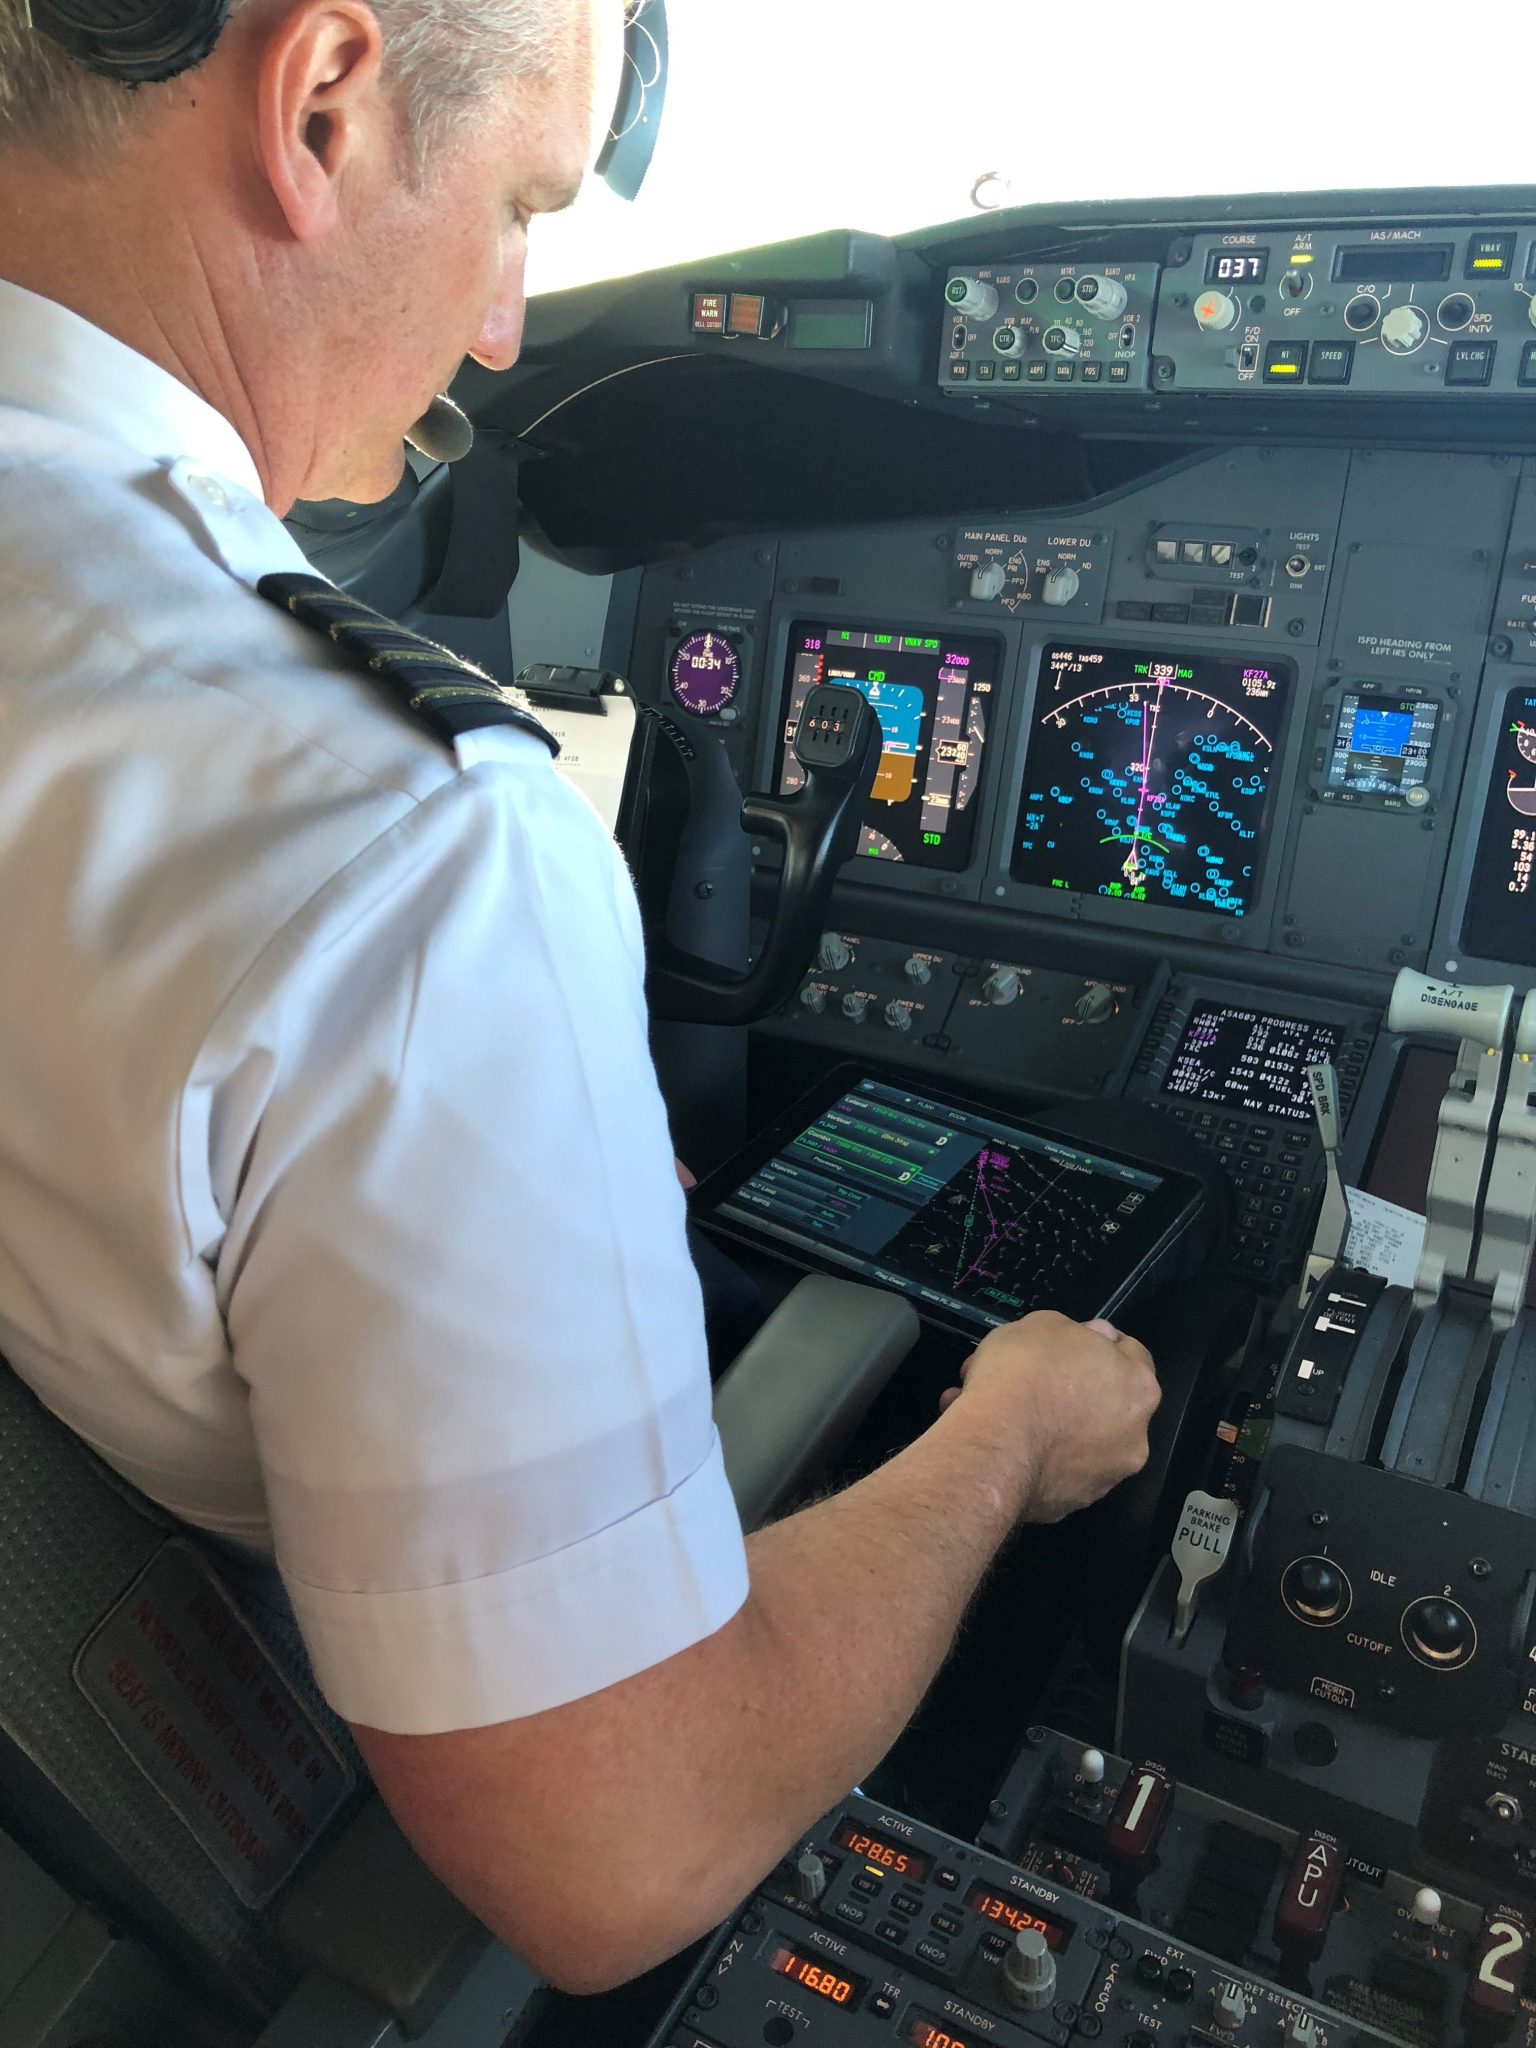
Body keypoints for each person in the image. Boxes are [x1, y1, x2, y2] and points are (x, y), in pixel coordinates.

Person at [0, 0, 1160, 1996]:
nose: (512, 327)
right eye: (526, 204)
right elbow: (618, 1842)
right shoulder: (400, 855)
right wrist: (1006, 1431)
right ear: (325, 97)